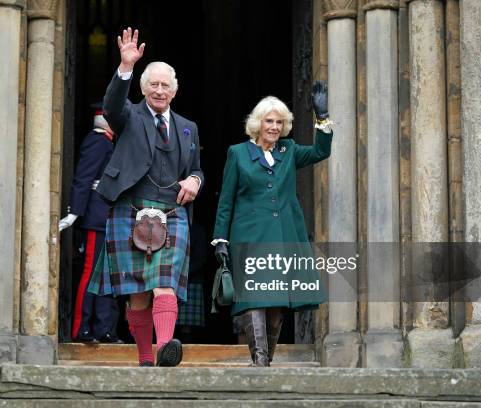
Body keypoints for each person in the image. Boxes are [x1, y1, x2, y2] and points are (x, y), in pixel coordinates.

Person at [87, 27, 204, 367]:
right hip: (131, 208)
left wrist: (195, 180)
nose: (159, 90)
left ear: (175, 90)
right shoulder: (129, 116)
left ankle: (165, 347)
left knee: (165, 284)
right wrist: (125, 66)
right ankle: (144, 357)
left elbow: (197, 167)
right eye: (153, 84)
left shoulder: (188, 127)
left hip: (172, 212)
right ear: (142, 88)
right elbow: (111, 105)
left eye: (165, 84)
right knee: (138, 293)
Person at [212, 82, 332, 367]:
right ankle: (260, 361)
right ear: (258, 123)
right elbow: (226, 199)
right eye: (269, 121)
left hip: (283, 236)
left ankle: (267, 360)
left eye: (280, 122)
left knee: (277, 299)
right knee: (255, 298)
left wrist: (323, 117)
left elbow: (320, 152)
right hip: (250, 237)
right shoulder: (238, 153)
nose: (275, 127)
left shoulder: (288, 151)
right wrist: (220, 239)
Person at [59, 106, 122, 344]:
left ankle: (103, 328)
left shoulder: (108, 143)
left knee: (107, 276)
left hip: (108, 217)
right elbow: (84, 177)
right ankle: (82, 329)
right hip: (96, 218)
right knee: (91, 274)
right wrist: (75, 212)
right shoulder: (97, 141)